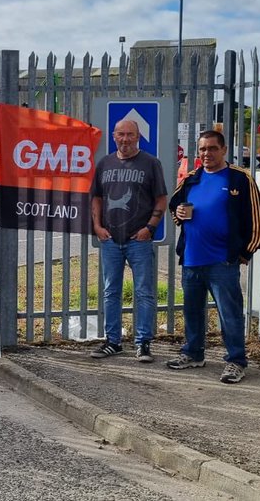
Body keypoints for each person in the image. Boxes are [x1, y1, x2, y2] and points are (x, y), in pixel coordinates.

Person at [166, 130, 260, 384]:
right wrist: (178, 213)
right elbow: (175, 206)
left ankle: (235, 361)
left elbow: (257, 218)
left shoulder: (239, 179)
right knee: (192, 312)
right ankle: (193, 353)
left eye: (212, 149)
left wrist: (245, 252)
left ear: (223, 150)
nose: (206, 154)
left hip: (223, 260)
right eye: (202, 149)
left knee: (229, 314)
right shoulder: (191, 178)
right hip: (191, 258)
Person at [88, 119, 167, 363]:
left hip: (139, 240)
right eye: (121, 134)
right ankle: (113, 342)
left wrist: (149, 228)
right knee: (111, 292)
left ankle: (143, 343)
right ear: (114, 136)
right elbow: (97, 198)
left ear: (138, 137)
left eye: (130, 135)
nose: (125, 139)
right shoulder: (105, 163)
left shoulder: (151, 163)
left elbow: (162, 198)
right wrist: (98, 227)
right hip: (111, 239)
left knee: (144, 293)